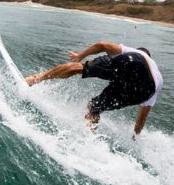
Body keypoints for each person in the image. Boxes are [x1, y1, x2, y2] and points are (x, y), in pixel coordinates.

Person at [26, 41, 163, 136]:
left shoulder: (137, 53)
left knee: (79, 68)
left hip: (135, 62)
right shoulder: (158, 78)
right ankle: (88, 139)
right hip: (147, 88)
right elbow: (141, 120)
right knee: (95, 107)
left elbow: (102, 45)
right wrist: (135, 135)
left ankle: (35, 79)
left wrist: (81, 55)